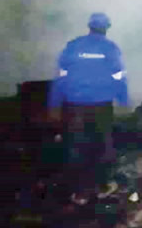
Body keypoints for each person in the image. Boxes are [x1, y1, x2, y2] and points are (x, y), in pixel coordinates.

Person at [47, 12, 129, 204]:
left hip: (74, 105)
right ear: (106, 27)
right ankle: (101, 188)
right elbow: (119, 76)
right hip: (101, 105)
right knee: (102, 145)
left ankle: (79, 192)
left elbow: (60, 76)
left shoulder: (74, 45)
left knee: (76, 146)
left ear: (89, 26)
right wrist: (123, 100)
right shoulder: (110, 48)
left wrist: (53, 104)